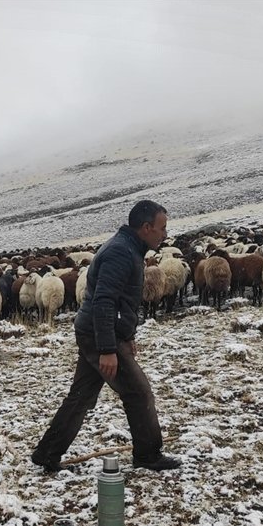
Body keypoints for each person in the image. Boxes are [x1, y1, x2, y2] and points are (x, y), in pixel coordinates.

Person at [30, 200, 181, 473]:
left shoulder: (128, 249)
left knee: (82, 395)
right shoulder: (121, 253)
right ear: (146, 228)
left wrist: (128, 334)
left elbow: (122, 300)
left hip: (100, 331)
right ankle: (148, 455)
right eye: (162, 228)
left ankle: (47, 453)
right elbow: (104, 301)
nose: (165, 234)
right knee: (138, 392)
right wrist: (108, 349)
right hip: (100, 334)